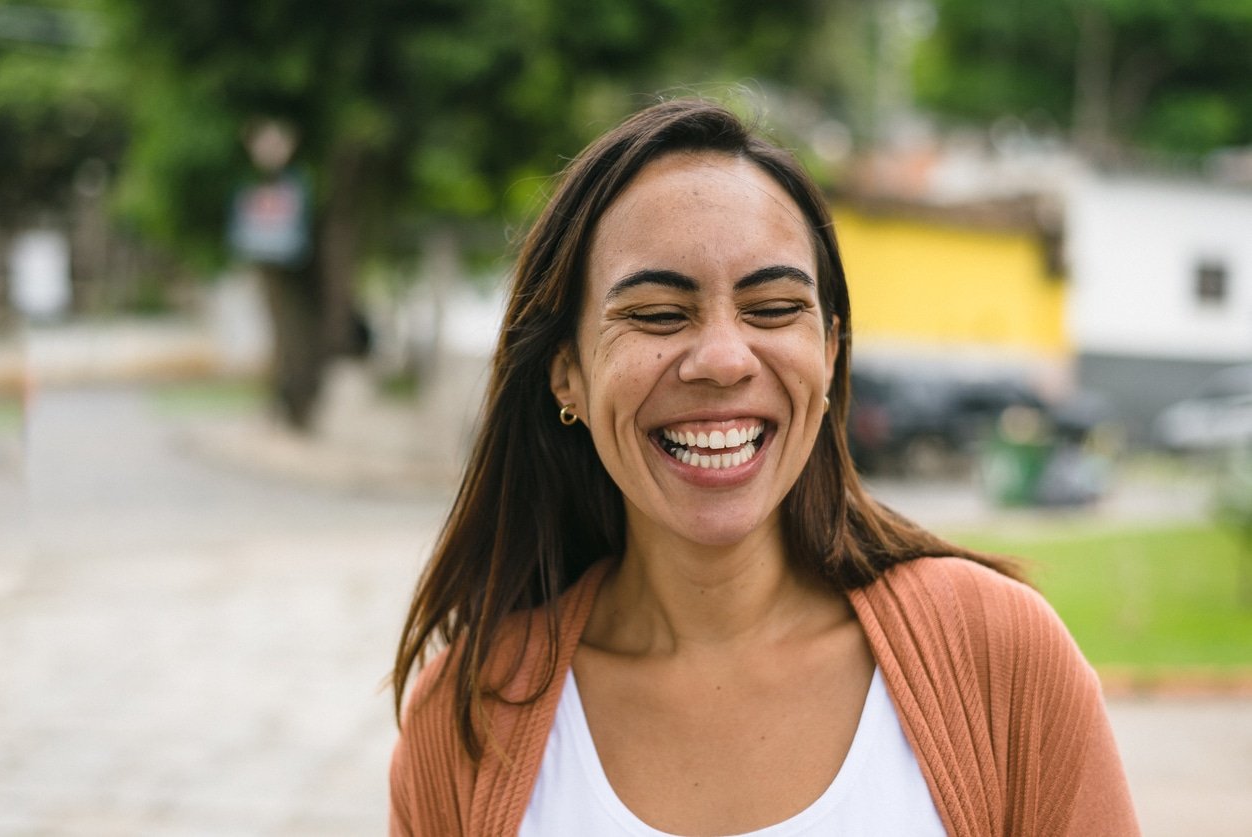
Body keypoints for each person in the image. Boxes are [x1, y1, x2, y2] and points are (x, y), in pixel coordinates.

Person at [389, 98, 1139, 836]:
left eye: (775, 307)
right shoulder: (464, 716)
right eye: (656, 314)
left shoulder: (1001, 659)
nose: (721, 358)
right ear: (567, 374)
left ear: (829, 350)